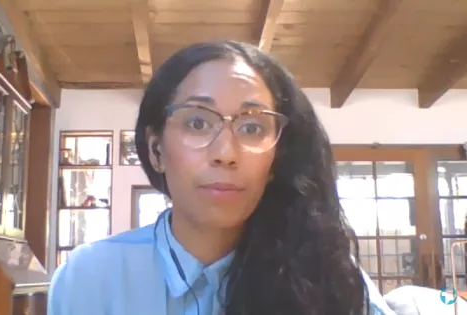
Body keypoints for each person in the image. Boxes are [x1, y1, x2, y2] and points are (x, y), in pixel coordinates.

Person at [47, 40, 394, 315]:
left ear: (276, 159)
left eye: (252, 127)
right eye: (197, 122)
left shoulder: (327, 279)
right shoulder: (90, 278)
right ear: (156, 150)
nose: (226, 153)